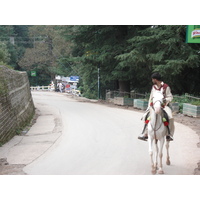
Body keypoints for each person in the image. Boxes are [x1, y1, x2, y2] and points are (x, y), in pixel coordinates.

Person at [138, 72, 174, 141]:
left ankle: (169, 134)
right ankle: (145, 133)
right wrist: (149, 107)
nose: (152, 81)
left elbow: (170, 97)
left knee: (170, 117)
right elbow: (151, 97)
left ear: (155, 79)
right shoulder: (153, 87)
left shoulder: (166, 87)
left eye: (152, 79)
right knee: (145, 116)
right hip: (154, 106)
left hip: (164, 106)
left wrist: (164, 100)